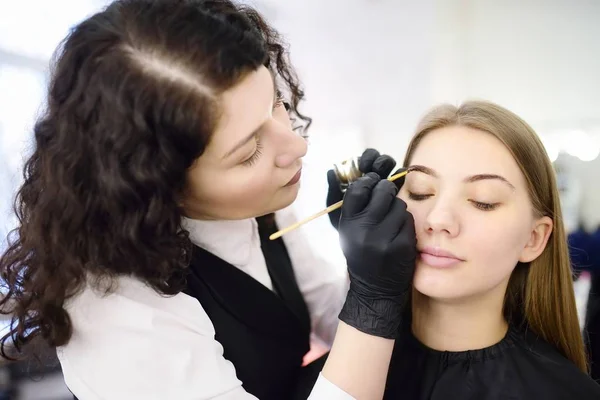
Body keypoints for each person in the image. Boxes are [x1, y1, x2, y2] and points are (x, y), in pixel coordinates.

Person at [0, 1, 417, 399]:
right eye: (250, 151)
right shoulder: (119, 311)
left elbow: (332, 320)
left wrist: (363, 263)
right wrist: (373, 300)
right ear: (156, 184)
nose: (296, 146)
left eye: (276, 104)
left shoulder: (256, 208)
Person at [382, 100, 600, 399]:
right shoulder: (334, 379)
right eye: (421, 191)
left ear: (533, 239)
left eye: (483, 201)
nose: (438, 219)